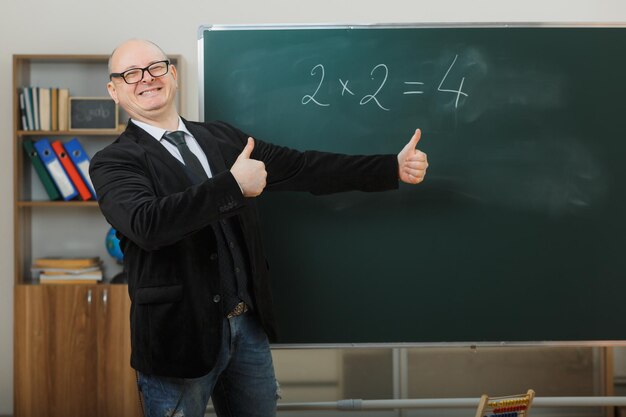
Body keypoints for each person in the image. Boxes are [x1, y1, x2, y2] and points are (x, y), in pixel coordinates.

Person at [89, 39, 428, 417]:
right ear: (114, 90)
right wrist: (232, 186)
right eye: (131, 74)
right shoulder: (113, 162)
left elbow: (301, 167)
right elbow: (147, 224)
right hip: (179, 340)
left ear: (173, 74)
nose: (146, 79)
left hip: (247, 329)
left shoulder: (223, 138)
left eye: (155, 67)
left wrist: (388, 168)